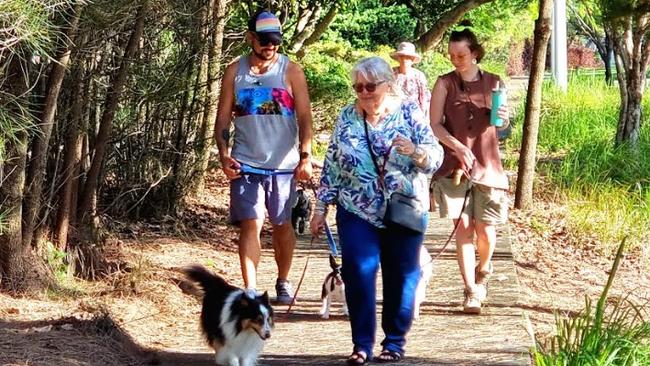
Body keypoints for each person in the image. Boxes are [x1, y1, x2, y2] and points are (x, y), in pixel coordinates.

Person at [311, 56, 443, 364]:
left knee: (402, 275)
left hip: (404, 207)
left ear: (388, 84)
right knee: (358, 270)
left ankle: (394, 342)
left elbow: (435, 156)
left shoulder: (409, 112)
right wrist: (320, 208)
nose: (364, 93)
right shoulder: (347, 116)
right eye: (358, 87)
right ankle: (361, 344)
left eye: (371, 86)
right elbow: (332, 164)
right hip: (356, 208)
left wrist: (416, 152)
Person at [214, 10, 313, 304]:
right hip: (246, 162)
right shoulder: (235, 71)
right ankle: (251, 289)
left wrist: (305, 156)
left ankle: (283, 280)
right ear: (251, 38)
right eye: (265, 40)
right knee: (251, 222)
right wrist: (223, 154)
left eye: (275, 41)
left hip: (283, 165)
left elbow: (305, 117)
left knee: (281, 223)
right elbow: (222, 119)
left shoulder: (291, 71)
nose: (270, 46)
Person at [428, 25, 510, 314]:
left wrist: (503, 118)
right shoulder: (444, 83)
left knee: (485, 230)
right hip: (454, 167)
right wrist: (457, 147)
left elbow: (503, 128)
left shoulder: (494, 82)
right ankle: (470, 290)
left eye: (461, 55)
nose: (455, 60)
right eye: (451, 55)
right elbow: (434, 124)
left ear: (474, 53)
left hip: (488, 165)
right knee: (462, 228)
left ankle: (484, 270)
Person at [391, 42, 431, 118]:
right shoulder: (391, 74)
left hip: (414, 116)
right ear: (398, 58)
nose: (404, 59)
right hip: (394, 115)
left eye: (408, 57)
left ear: (412, 59)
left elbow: (424, 99)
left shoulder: (419, 76)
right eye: (402, 56)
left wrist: (424, 119)